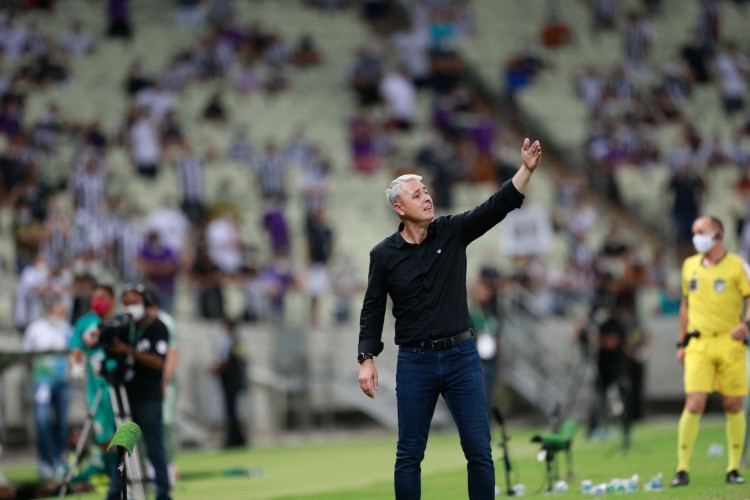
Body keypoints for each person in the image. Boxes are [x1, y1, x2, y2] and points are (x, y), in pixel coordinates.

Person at [357, 137, 542, 499]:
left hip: (461, 358)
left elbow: (496, 206)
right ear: (399, 207)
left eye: (425, 190)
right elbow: (372, 308)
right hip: (415, 363)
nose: (426, 196)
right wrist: (366, 358)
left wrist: (526, 170)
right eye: (416, 193)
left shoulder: (452, 231)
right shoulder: (383, 255)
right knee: (409, 454)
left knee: (479, 450)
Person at [671, 215, 748, 487]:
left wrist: (746, 324)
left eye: (701, 231)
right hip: (699, 343)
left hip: (729, 342)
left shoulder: (738, 266)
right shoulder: (689, 266)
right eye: (693, 232)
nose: (696, 237)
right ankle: (681, 469)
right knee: (694, 402)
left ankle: (733, 468)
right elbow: (685, 306)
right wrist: (682, 343)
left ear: (718, 234)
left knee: (733, 403)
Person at [107, 285, 171, 500]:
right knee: (123, 448)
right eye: (125, 303)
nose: (129, 307)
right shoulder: (126, 327)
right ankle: (118, 493)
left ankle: (163, 493)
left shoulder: (158, 327)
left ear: (147, 304)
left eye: (134, 302)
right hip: (126, 399)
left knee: (154, 448)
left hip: (149, 399)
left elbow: (157, 362)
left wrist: (129, 352)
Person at [69, 284, 119, 500]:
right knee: (104, 439)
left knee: (125, 435)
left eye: (103, 297)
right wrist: (76, 365)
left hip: (119, 387)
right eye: (95, 297)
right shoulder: (84, 323)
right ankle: (114, 476)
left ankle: (123, 480)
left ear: (112, 300)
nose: (98, 301)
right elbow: (76, 350)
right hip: (97, 389)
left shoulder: (119, 321)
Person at [22, 298, 71, 481]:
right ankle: (45, 461)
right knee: (42, 421)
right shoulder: (36, 329)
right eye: (57, 312)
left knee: (61, 424)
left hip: (63, 383)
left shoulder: (67, 329)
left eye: (62, 313)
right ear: (50, 311)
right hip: (42, 383)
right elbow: (26, 355)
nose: (60, 316)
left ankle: (59, 461)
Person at [211, 318, 247, 448]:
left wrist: (215, 370)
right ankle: (237, 438)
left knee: (231, 410)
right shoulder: (234, 340)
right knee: (231, 411)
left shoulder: (231, 341)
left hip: (231, 380)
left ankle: (234, 439)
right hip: (231, 380)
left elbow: (228, 361)